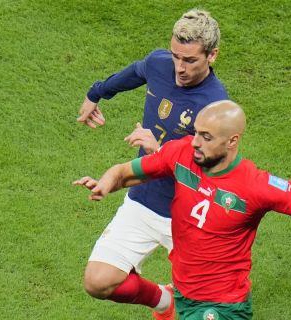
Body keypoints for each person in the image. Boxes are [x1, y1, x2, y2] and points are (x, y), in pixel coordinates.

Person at [74, 100, 291, 320]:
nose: (196, 143)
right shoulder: (181, 154)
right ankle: (166, 301)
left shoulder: (255, 186)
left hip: (223, 306)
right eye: (196, 134)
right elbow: (125, 172)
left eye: (206, 137)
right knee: (100, 282)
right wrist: (107, 183)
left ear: (232, 141)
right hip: (187, 295)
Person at [76, 9, 228, 319]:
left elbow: (210, 178)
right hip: (144, 202)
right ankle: (165, 302)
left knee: (211, 311)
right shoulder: (161, 64)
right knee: (98, 281)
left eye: (189, 61)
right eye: (176, 57)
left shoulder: (216, 107)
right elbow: (136, 71)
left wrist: (160, 151)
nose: (179, 69)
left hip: (189, 216)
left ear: (212, 55)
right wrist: (96, 94)